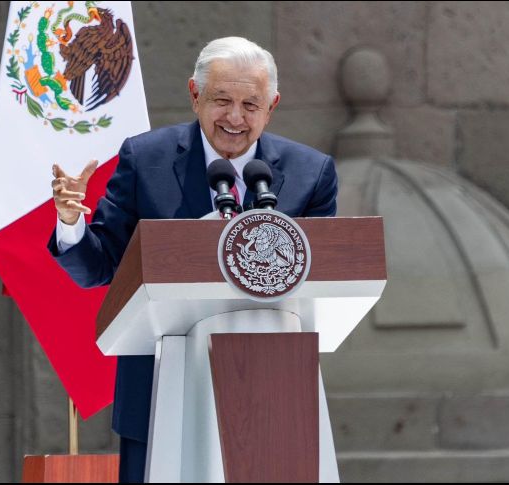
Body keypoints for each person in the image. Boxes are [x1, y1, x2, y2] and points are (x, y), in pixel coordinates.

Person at [48, 36, 337, 482]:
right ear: (194, 94)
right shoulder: (146, 159)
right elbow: (100, 266)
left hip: (273, 394)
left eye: (250, 104)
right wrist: (71, 223)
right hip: (159, 389)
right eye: (222, 100)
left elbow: (325, 281)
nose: (235, 118)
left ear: (272, 105)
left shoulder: (310, 172)